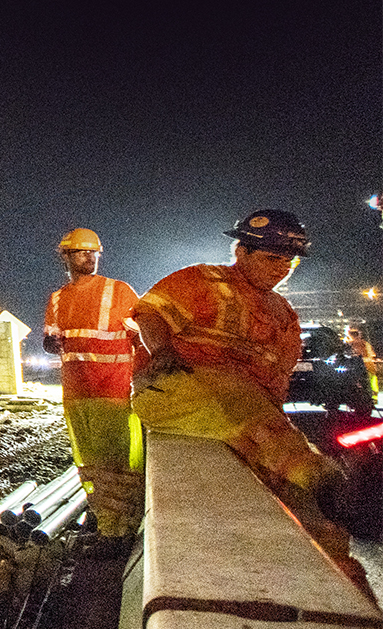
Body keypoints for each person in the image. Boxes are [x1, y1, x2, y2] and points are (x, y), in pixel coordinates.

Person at [131, 210, 372, 597]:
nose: (283, 269)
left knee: (306, 509)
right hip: (177, 390)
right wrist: (161, 350)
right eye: (272, 258)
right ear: (241, 251)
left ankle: (348, 589)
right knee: (233, 393)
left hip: (237, 411)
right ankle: (326, 481)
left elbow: (271, 391)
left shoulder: (285, 315)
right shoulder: (203, 280)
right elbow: (151, 313)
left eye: (289, 261)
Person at [42, 228, 145, 548]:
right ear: (66, 257)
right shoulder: (57, 299)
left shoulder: (120, 291)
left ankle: (121, 529)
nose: (89, 257)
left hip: (113, 392)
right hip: (75, 395)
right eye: (81, 252)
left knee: (117, 462)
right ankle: (103, 518)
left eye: (93, 252)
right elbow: (52, 342)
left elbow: (142, 339)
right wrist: (49, 343)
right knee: (88, 463)